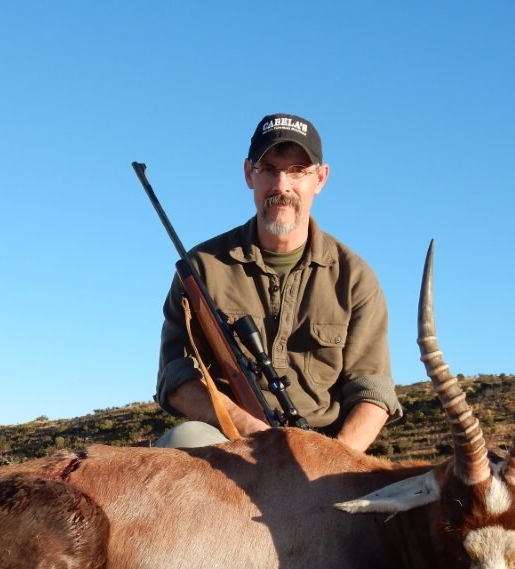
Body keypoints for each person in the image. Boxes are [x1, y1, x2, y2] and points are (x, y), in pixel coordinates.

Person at [155, 113, 402, 452]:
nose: (281, 186)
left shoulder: (355, 278)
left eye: (298, 171)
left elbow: (373, 392)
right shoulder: (202, 268)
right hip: (231, 442)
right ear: (248, 174)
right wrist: (253, 432)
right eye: (269, 169)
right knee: (181, 441)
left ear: (320, 178)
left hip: (325, 449)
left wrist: (332, 460)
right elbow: (177, 377)